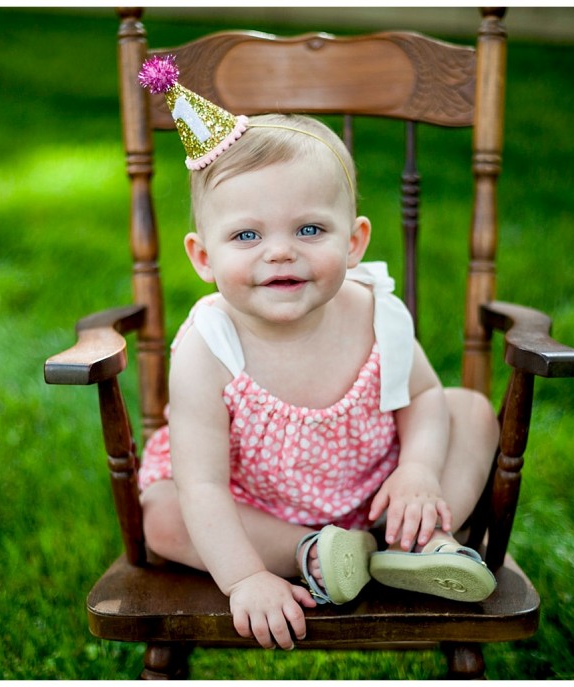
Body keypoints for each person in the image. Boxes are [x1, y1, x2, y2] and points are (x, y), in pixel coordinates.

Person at [135, 56, 500, 652]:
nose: (280, 253)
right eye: (247, 235)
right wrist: (245, 577)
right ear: (203, 258)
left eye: (309, 230)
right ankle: (317, 554)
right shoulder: (208, 345)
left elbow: (426, 397)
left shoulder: (375, 311)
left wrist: (418, 470)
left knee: (470, 411)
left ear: (353, 241)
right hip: (256, 508)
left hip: (381, 490)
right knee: (166, 516)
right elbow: (203, 486)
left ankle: (420, 538)